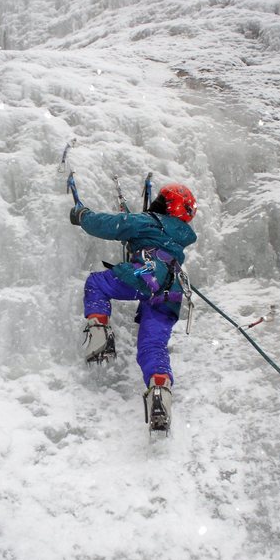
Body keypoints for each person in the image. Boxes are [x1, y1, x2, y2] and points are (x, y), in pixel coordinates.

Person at [70, 183, 197, 432]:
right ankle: (160, 391)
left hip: (145, 276)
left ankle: (99, 336)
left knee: (96, 283)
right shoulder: (178, 233)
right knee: (152, 346)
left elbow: (110, 225)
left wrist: (82, 216)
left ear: (163, 203)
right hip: (171, 291)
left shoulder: (149, 220)